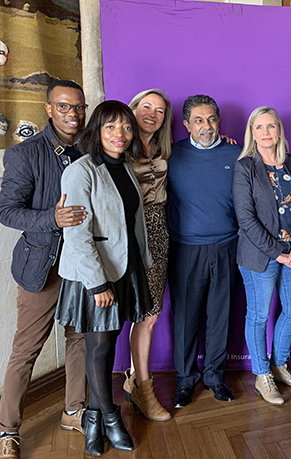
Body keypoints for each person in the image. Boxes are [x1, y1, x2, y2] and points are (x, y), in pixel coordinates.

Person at [55, 100, 152, 456]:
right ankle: (110, 416)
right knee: (97, 348)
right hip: (93, 275)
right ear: (96, 130)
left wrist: (143, 262)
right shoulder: (82, 171)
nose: (120, 134)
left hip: (123, 269)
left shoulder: (124, 167)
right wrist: (97, 284)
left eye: (126, 127)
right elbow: (77, 233)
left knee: (108, 345)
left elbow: (128, 223)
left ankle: (94, 418)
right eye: (110, 127)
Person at [0, 80, 88, 458]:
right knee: (26, 350)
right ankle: (7, 430)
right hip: (42, 266)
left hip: (82, 266)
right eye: (64, 107)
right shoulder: (26, 154)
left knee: (80, 339)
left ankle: (74, 411)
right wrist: (50, 218)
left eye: (79, 107)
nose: (73, 114)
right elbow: (5, 210)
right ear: (49, 109)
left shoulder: (90, 149)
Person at [233, 107, 291, 405]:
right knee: (258, 316)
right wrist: (278, 253)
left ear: (279, 131)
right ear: (252, 133)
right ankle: (261, 375)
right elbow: (245, 219)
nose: (266, 132)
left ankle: (279, 365)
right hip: (260, 257)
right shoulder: (245, 167)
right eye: (259, 127)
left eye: (271, 126)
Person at [167, 94, 242, 408]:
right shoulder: (171, 156)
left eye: (211, 119)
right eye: (198, 120)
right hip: (185, 249)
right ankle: (185, 380)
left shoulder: (237, 153)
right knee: (185, 317)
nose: (206, 126)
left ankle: (213, 376)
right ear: (186, 124)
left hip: (227, 247)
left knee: (220, 316)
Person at [121, 89, 173, 422]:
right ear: (133, 109)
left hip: (158, 233)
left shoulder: (163, 148)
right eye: (146, 106)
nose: (152, 113)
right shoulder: (116, 145)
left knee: (150, 315)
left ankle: (141, 385)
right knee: (119, 312)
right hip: (125, 234)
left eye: (159, 110)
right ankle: (132, 384)